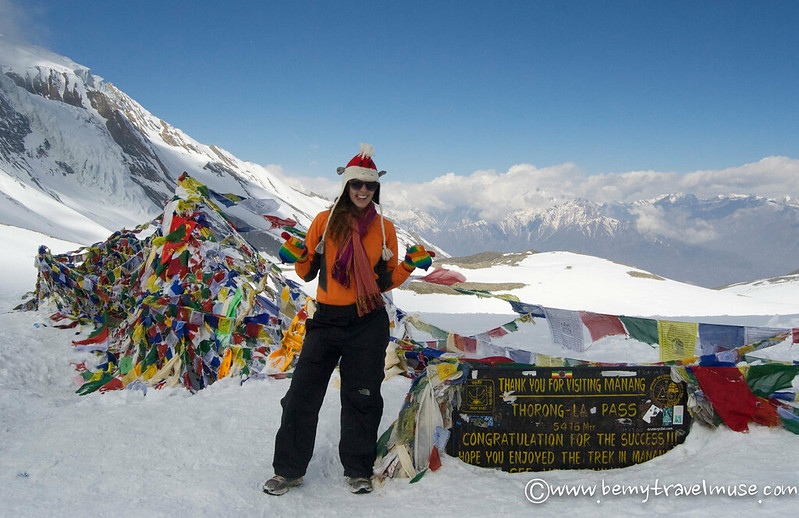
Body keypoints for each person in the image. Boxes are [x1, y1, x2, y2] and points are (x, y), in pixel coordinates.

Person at [264, 144, 434, 496]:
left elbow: (384, 280)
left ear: (376, 190)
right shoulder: (324, 223)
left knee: (363, 396)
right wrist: (297, 257)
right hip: (326, 321)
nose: (362, 191)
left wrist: (407, 267)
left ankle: (357, 470)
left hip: (367, 322)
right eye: (357, 184)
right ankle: (288, 470)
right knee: (301, 396)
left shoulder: (385, 229)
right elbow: (309, 271)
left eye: (369, 187)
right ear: (346, 186)